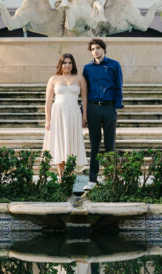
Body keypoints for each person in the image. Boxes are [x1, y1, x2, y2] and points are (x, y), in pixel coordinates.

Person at [81, 38, 123, 189]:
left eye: (98, 48)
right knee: (94, 145)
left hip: (109, 108)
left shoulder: (114, 65)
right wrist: (84, 113)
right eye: (93, 49)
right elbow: (84, 91)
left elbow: (119, 86)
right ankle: (92, 180)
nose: (96, 51)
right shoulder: (87, 68)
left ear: (104, 49)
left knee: (110, 145)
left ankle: (111, 178)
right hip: (93, 108)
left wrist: (115, 107)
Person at [42, 53, 88, 178]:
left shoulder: (80, 78)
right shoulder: (53, 79)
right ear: (60, 65)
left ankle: (70, 178)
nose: (67, 65)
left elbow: (84, 99)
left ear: (73, 64)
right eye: (64, 63)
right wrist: (47, 120)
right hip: (58, 114)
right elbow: (48, 101)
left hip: (73, 114)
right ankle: (61, 178)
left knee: (72, 144)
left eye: (69, 63)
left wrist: (84, 117)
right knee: (59, 143)